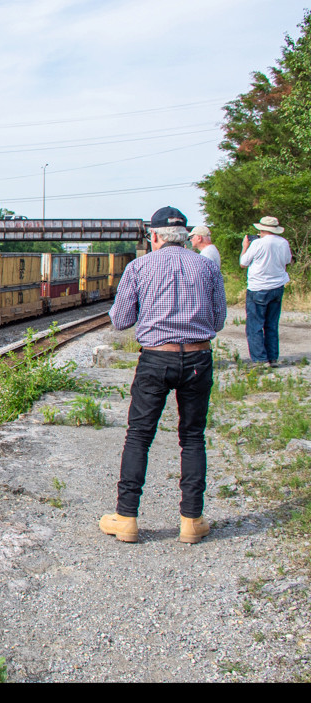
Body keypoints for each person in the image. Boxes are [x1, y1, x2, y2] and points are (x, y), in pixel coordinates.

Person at [100, 206, 226, 544]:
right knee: (193, 437)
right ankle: (192, 521)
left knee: (139, 437)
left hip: (156, 360)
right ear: (185, 236)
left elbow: (120, 320)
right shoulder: (207, 266)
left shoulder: (139, 267)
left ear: (154, 236)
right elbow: (217, 321)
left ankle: (126, 519)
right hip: (199, 358)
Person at [241, 216, 292, 366]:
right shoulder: (283, 242)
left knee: (255, 325)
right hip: (277, 285)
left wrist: (245, 247)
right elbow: (287, 261)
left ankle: (260, 359)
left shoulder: (257, 244)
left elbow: (243, 263)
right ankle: (272, 357)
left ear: (261, 229)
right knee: (271, 324)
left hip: (259, 287)